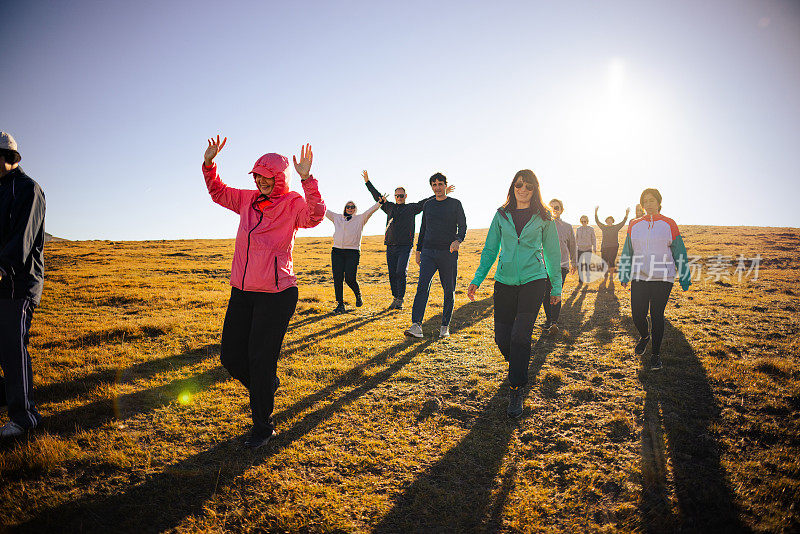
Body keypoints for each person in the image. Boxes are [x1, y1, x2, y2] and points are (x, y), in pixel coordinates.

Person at [203, 135, 325, 449]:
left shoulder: (294, 202)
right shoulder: (246, 200)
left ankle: (263, 427)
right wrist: (209, 164)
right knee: (231, 357)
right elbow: (218, 192)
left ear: (279, 178)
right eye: (257, 176)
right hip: (242, 291)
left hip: (277, 293)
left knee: (260, 360)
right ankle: (267, 386)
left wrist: (307, 178)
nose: (261, 182)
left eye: (267, 177)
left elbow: (315, 216)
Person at [467, 170, 561, 417]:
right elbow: (490, 249)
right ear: (513, 186)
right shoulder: (501, 215)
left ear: (535, 189)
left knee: (520, 336)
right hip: (504, 282)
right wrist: (477, 279)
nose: (523, 189)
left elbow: (552, 254)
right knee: (502, 338)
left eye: (528, 186)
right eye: (519, 185)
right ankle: (518, 366)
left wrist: (557, 287)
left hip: (534, 280)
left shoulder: (544, 217)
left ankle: (517, 388)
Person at [0, 132, 46, 440]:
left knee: (12, 350)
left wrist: (3, 266)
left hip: (19, 283)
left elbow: (24, 239)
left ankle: (25, 417)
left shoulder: (29, 190)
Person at [618, 188, 691, 370]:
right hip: (639, 276)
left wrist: (684, 276)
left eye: (652, 200)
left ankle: (656, 355)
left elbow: (679, 250)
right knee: (637, 315)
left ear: (659, 203)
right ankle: (644, 336)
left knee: (657, 315)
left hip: (663, 277)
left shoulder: (669, 224)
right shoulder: (634, 224)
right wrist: (624, 273)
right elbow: (628, 250)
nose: (648, 204)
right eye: (645, 201)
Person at [363, 170, 453, 310]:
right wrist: (368, 182)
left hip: (405, 246)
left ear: (405, 196)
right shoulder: (389, 207)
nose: (399, 197)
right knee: (392, 273)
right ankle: (396, 297)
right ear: (394, 196)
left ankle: (400, 298)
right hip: (390, 245)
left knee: (400, 271)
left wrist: (441, 193)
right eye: (397, 195)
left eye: (401, 195)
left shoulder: (412, 208)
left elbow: (425, 202)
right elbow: (377, 196)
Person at [404, 173, 466, 339]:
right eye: (434, 185)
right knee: (422, 288)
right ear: (431, 187)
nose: (437, 187)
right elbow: (423, 228)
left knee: (448, 290)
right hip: (428, 253)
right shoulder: (429, 205)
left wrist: (458, 241)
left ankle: (445, 326)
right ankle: (416, 325)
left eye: (440, 184)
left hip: (448, 253)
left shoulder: (455, 204)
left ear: (446, 185)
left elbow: (463, 226)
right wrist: (418, 251)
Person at [326, 196, 384, 314]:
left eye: (352, 207)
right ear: (345, 208)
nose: (350, 208)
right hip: (337, 251)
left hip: (352, 252)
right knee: (337, 278)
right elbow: (324, 210)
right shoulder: (337, 217)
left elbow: (370, 211)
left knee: (350, 278)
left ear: (355, 209)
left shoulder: (360, 218)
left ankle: (358, 295)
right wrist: (312, 199)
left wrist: (379, 203)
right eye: (348, 207)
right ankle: (340, 304)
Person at [542, 199, 576, 333]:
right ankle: (549, 320)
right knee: (545, 294)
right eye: (551, 207)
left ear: (561, 209)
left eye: (557, 207)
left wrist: (574, 261)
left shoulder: (567, 226)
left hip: (561, 265)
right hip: (544, 265)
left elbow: (572, 245)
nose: (554, 209)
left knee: (556, 292)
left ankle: (554, 322)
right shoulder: (543, 224)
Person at [595, 206, 629, 274]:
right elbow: (597, 221)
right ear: (606, 221)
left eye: (610, 220)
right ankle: (605, 274)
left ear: (612, 221)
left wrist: (626, 215)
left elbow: (623, 223)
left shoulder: (616, 227)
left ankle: (611, 275)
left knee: (611, 261)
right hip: (605, 246)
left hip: (614, 246)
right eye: (607, 220)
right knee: (604, 260)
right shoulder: (603, 227)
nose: (609, 221)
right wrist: (596, 212)